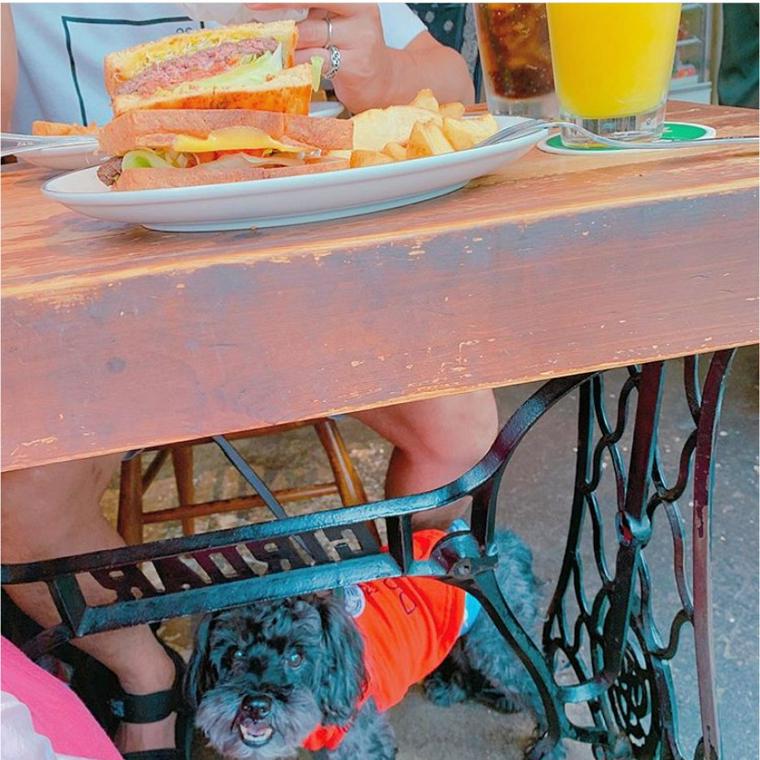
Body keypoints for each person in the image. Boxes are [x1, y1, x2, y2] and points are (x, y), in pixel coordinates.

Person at [1, 3, 496, 757]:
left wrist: (381, 70)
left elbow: (453, 80)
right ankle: (146, 671)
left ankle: (342, 639)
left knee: (460, 427)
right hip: (87, 308)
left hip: (303, 277)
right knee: (13, 495)